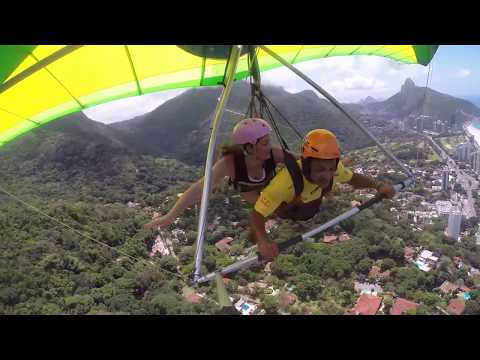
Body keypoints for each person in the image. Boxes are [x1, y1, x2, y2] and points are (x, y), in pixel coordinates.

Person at [249, 129, 396, 260]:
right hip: (292, 211)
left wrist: (378, 185)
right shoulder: (283, 184)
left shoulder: (334, 170)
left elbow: (353, 178)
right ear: (306, 165)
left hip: (312, 204)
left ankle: (341, 165)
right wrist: (263, 241)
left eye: (330, 168)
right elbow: (257, 213)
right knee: (275, 211)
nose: (326, 175)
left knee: (337, 175)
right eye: (320, 169)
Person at [144, 118, 298, 230]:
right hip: (249, 191)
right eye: (265, 143)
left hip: (270, 185)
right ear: (249, 148)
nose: (269, 147)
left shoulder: (274, 154)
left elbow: (303, 160)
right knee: (266, 206)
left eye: (268, 142)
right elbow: (201, 187)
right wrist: (171, 215)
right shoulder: (229, 163)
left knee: (285, 202)